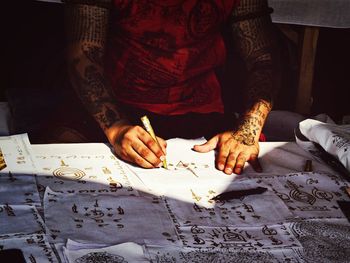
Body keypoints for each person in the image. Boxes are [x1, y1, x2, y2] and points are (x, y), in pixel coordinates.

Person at [62, 0, 281, 175]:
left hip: (202, 113)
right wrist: (116, 128)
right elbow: (84, 55)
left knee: (247, 172)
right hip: (116, 106)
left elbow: (263, 59)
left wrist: (247, 129)